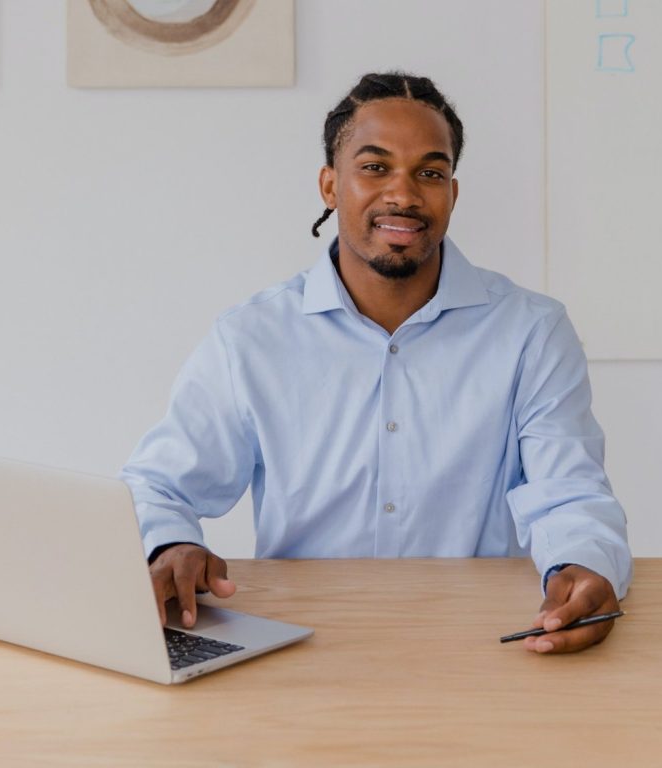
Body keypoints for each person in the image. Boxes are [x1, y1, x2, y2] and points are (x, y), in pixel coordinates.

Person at [122, 72, 632, 655]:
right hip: (301, 645)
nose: (404, 194)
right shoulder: (252, 338)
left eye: (430, 173)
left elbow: (568, 491)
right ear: (330, 185)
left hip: (480, 643)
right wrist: (168, 545)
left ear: (453, 193)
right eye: (374, 167)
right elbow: (157, 485)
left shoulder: (531, 331)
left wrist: (585, 566)